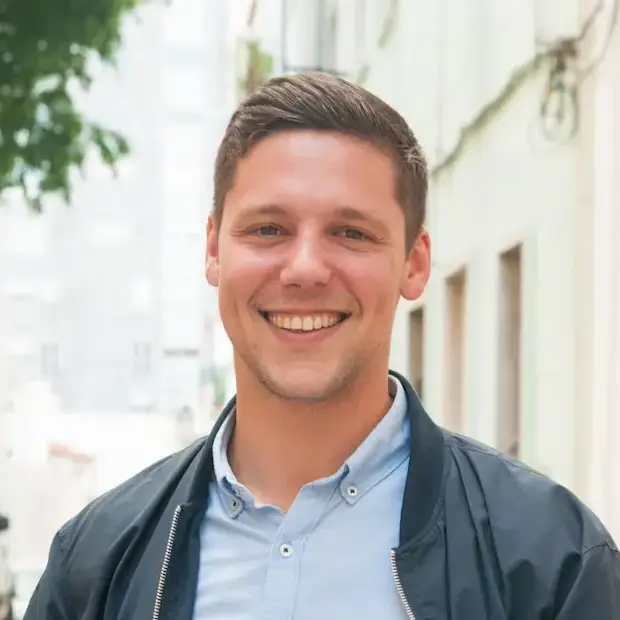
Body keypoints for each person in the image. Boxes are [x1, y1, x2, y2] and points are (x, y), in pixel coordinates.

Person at [25, 72, 619, 619]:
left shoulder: (553, 562)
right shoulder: (94, 565)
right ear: (213, 249)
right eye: (269, 229)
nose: (305, 269)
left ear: (414, 264)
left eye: (351, 233)